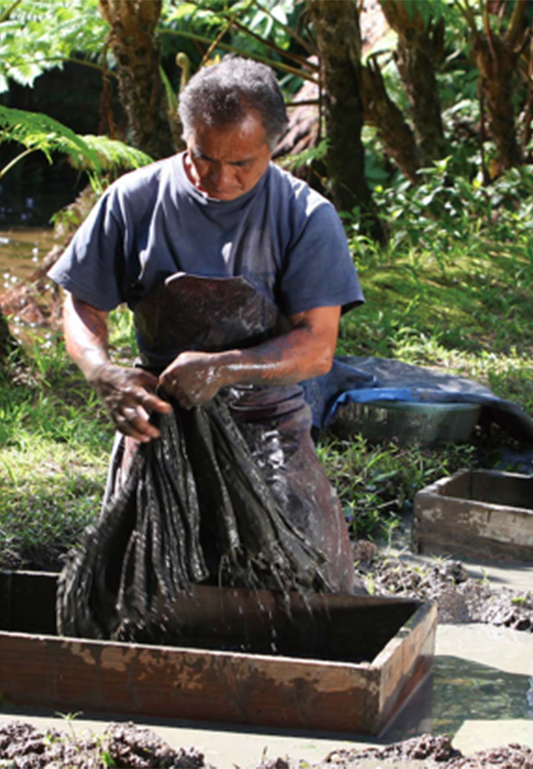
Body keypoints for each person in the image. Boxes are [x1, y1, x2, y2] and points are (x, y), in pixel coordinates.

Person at [48, 57, 363, 592]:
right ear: (184, 135)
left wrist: (224, 367)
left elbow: (317, 348)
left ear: (274, 146)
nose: (218, 178)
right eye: (201, 157)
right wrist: (103, 371)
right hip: (159, 422)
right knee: (136, 595)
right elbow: (81, 305)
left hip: (270, 428)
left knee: (316, 592)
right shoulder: (133, 200)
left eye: (241, 163)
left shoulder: (306, 216)